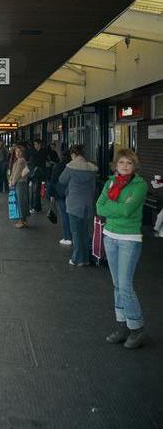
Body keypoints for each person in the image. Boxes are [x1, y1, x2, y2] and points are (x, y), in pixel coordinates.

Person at [96, 149, 148, 349]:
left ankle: (137, 327)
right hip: (110, 236)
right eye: (121, 163)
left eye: (128, 163)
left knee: (125, 285)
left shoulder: (139, 185)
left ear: (134, 166)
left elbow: (127, 211)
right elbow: (99, 207)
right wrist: (114, 207)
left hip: (129, 239)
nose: (124, 166)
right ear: (115, 165)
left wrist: (111, 206)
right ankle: (122, 326)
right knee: (117, 285)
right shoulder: (110, 183)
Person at [59, 145, 98, 266]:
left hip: (74, 203)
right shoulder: (92, 169)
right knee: (85, 231)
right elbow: (93, 188)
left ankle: (77, 259)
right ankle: (86, 258)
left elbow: (62, 180)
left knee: (75, 232)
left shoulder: (70, 167)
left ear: (73, 155)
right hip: (87, 203)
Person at [47, 149, 72, 245]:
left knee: (64, 215)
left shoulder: (59, 166)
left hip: (60, 194)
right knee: (72, 216)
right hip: (71, 194)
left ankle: (67, 237)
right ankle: (73, 236)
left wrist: (51, 194)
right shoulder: (74, 167)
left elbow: (53, 180)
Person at [9, 145, 30, 228]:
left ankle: (22, 221)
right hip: (20, 183)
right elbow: (14, 173)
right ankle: (23, 220)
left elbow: (17, 174)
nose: (17, 153)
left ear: (22, 153)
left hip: (20, 183)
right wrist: (11, 179)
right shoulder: (18, 160)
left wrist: (12, 182)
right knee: (21, 201)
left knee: (20, 202)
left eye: (19, 151)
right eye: (16, 151)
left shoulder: (21, 161)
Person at [29, 139, 48, 213]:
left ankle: (36, 207)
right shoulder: (37, 152)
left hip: (38, 173)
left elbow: (36, 162)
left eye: (36, 144)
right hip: (37, 173)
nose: (35, 146)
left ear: (39, 144)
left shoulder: (42, 152)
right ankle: (37, 207)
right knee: (35, 190)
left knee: (36, 191)